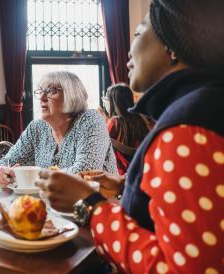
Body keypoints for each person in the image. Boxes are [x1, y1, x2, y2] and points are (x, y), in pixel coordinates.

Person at [36, 1, 224, 273]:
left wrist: (91, 206)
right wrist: (128, 186)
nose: (128, 49)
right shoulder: (206, 108)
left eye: (138, 34)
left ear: (172, 46)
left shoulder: (187, 131)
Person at [0, 71, 117, 187]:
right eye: (41, 91)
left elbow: (85, 173)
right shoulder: (37, 128)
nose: (42, 97)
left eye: (51, 91)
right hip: (54, 206)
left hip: (100, 204)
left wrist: (29, 175)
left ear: (72, 95)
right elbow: (6, 162)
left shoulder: (91, 119)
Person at [103, 83, 154, 175]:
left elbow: (102, 147)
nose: (104, 103)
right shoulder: (140, 119)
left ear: (113, 102)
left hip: (119, 170)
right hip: (139, 167)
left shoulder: (114, 122)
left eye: (106, 99)